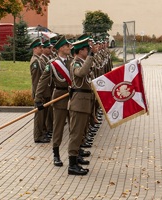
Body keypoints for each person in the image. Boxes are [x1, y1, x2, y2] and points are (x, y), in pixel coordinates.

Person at [35, 35, 72, 167]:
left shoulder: (72, 61)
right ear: (61, 48)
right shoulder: (52, 64)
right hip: (59, 96)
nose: (69, 48)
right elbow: (42, 81)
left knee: (74, 127)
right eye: (67, 46)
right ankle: (56, 155)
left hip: (72, 97)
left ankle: (74, 155)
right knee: (58, 127)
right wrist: (38, 99)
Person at [67, 38, 96, 175]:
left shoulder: (81, 62)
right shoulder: (75, 64)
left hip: (84, 103)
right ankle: (72, 165)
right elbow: (81, 73)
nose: (87, 51)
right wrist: (90, 57)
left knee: (80, 134)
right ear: (80, 51)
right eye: (86, 50)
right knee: (76, 134)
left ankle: (77, 157)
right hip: (78, 104)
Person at [29, 38, 50, 143]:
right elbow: (37, 80)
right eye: (40, 47)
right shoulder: (35, 62)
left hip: (42, 93)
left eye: (42, 47)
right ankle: (38, 136)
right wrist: (39, 95)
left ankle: (42, 133)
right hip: (39, 93)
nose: (42, 49)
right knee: (39, 116)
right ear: (35, 48)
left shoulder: (39, 59)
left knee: (43, 115)